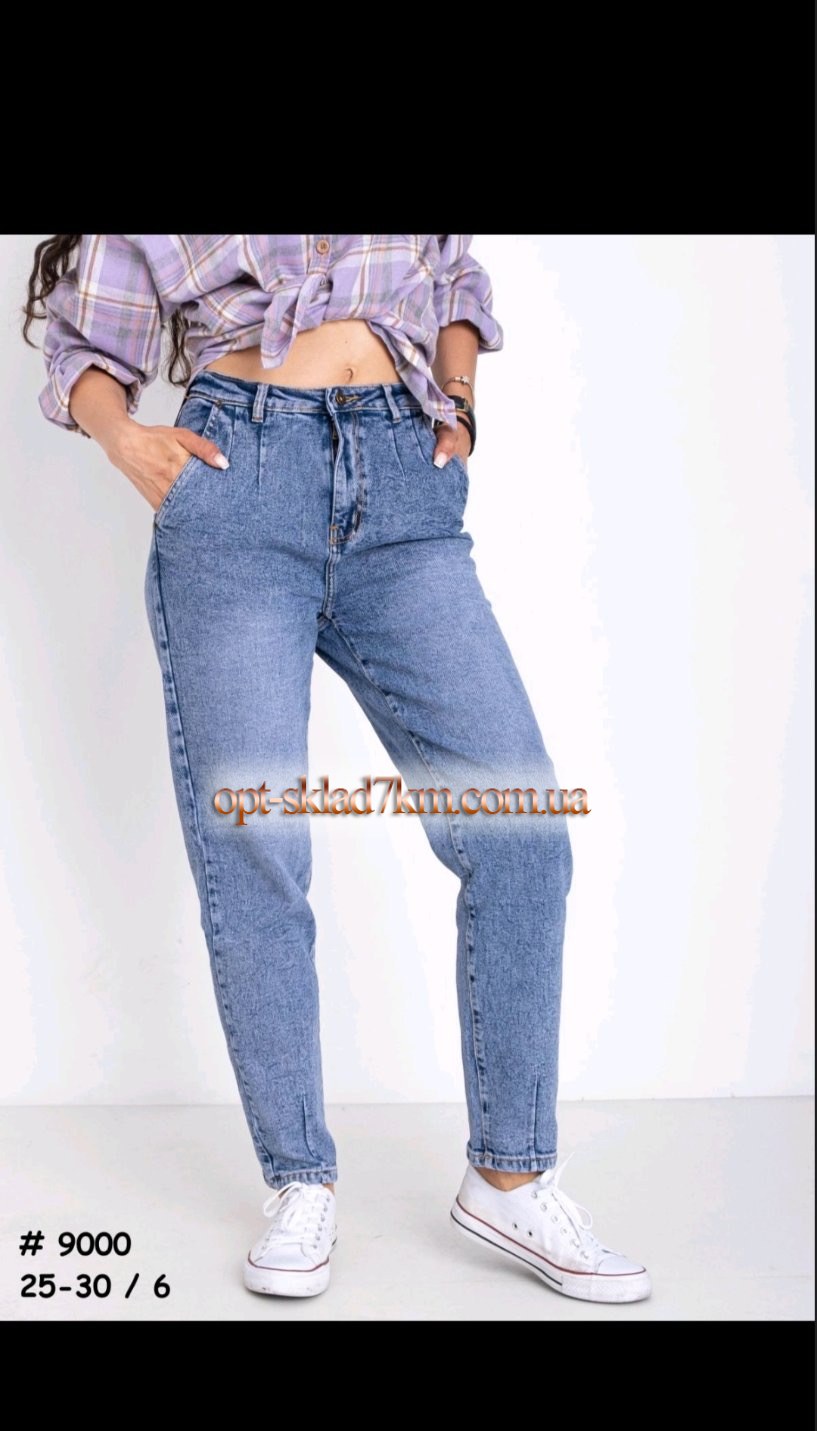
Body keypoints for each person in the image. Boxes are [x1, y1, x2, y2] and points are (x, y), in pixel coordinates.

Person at [25, 234, 650, 1305]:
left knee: (519, 834)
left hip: (403, 491)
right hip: (235, 491)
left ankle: (508, 1175)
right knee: (257, 849)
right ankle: (299, 1179)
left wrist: (457, 403)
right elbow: (86, 346)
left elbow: (452, 278)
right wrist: (127, 442)